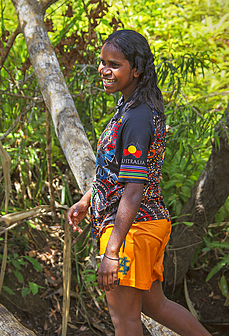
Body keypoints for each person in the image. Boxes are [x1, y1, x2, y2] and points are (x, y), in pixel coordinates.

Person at [67, 30, 211, 336]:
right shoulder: (134, 106)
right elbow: (116, 171)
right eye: (102, 62)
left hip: (132, 230)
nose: (104, 69)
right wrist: (86, 200)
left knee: (125, 320)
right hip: (148, 224)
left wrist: (111, 253)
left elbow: (133, 190)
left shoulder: (137, 116)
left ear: (137, 68)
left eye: (114, 64)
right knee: (154, 307)